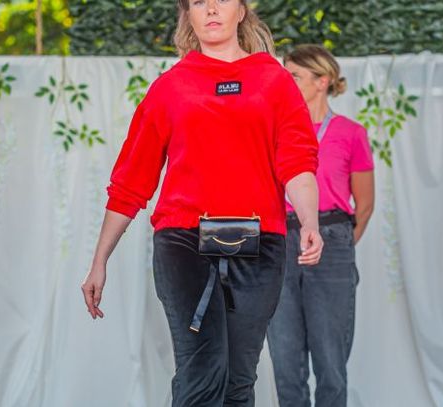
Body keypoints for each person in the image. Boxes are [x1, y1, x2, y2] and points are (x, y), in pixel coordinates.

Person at [81, 2, 324, 406]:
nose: (211, 8)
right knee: (201, 372)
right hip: (183, 243)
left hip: (260, 243)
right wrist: (99, 260)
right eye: (198, 1)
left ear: (242, 11)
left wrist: (310, 222)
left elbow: (297, 162)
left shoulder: (274, 81)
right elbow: (130, 181)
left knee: (238, 380)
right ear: (187, 15)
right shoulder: (170, 87)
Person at [267, 44, 375, 407]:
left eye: (295, 76)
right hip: (281, 241)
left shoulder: (351, 133)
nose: (287, 82)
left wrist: (338, 245)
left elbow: (365, 203)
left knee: (331, 362)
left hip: (332, 242)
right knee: (285, 361)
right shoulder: (275, 132)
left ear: (322, 81)